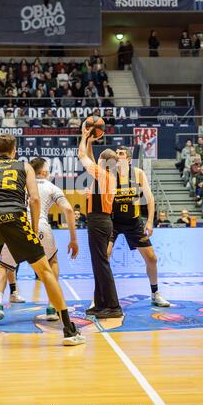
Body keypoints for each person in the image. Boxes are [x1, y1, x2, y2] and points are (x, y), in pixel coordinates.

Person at [0, 134, 85, 346]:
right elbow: (35, 198)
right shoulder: (25, 167)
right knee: (45, 271)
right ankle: (68, 330)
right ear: (14, 151)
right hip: (15, 218)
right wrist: (32, 227)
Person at [0, 157, 78, 325]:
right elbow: (69, 210)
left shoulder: (19, 185)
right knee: (52, 262)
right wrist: (73, 239)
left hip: (16, 225)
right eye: (48, 170)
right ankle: (51, 306)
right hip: (40, 226)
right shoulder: (51, 187)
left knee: (3, 267)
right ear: (43, 172)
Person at [108, 146, 170, 307]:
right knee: (104, 257)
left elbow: (149, 198)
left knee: (151, 258)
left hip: (133, 222)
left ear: (128, 159)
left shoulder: (138, 174)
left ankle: (155, 293)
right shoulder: (109, 175)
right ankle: (100, 296)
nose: (117, 156)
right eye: (116, 154)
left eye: (120, 154)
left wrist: (149, 221)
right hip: (113, 222)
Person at [78, 123, 122, 319]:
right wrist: (90, 142)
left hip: (99, 221)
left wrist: (83, 136)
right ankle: (101, 303)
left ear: (105, 163)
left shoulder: (103, 175)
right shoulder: (108, 175)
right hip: (102, 221)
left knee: (102, 264)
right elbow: (91, 158)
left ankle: (113, 306)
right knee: (99, 264)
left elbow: (82, 157)